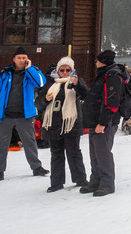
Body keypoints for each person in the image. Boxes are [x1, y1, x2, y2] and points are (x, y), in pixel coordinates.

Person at [0, 47, 48, 183]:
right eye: (19, 58)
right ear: (14, 59)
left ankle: (37, 168)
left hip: (25, 115)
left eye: (24, 58)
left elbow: (41, 83)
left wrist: (29, 68)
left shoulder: (32, 72)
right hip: (3, 115)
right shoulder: (4, 73)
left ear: (27, 59)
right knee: (0, 145)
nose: (22, 60)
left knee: (30, 143)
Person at [82, 49, 127, 197]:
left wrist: (103, 122)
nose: (95, 63)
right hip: (96, 121)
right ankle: (95, 181)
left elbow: (112, 103)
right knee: (94, 153)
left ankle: (107, 183)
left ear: (103, 62)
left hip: (105, 122)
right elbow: (94, 97)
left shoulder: (112, 76)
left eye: (97, 60)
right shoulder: (104, 75)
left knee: (102, 153)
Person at [41, 56, 88, 193]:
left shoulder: (76, 81)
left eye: (68, 70)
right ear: (58, 70)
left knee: (74, 153)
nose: (65, 72)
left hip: (71, 123)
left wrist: (78, 84)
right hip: (53, 124)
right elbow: (39, 103)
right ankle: (56, 182)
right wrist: (45, 99)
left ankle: (80, 179)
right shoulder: (51, 83)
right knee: (56, 154)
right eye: (62, 70)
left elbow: (86, 95)